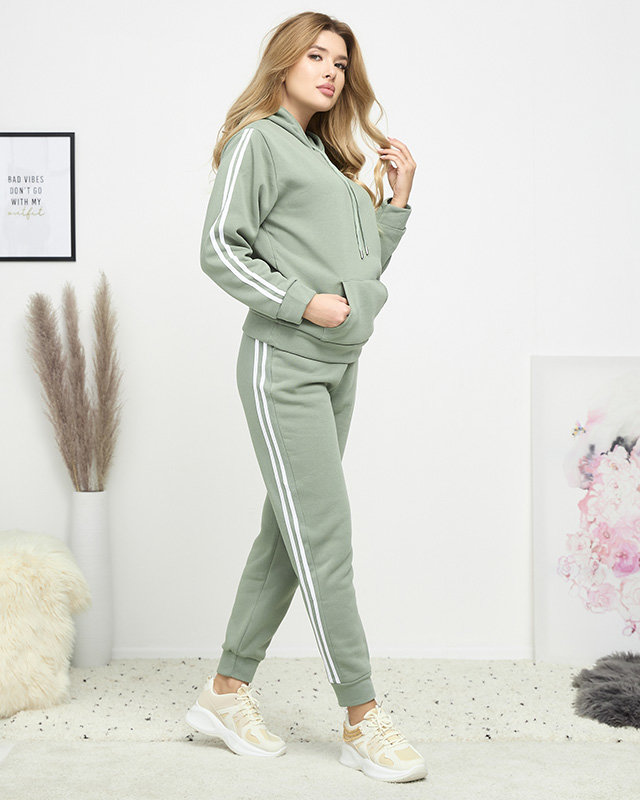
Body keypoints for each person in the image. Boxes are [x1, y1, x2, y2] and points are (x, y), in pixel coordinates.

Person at [186, 11, 425, 784]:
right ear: (284, 61)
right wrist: (301, 303)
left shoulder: (327, 157)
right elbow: (219, 247)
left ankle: (226, 692)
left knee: (287, 536)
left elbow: (363, 270)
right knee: (324, 536)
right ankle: (362, 717)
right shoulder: (258, 140)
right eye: (316, 55)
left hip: (338, 366)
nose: (329, 70)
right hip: (284, 364)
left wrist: (395, 203)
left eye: (340, 62)